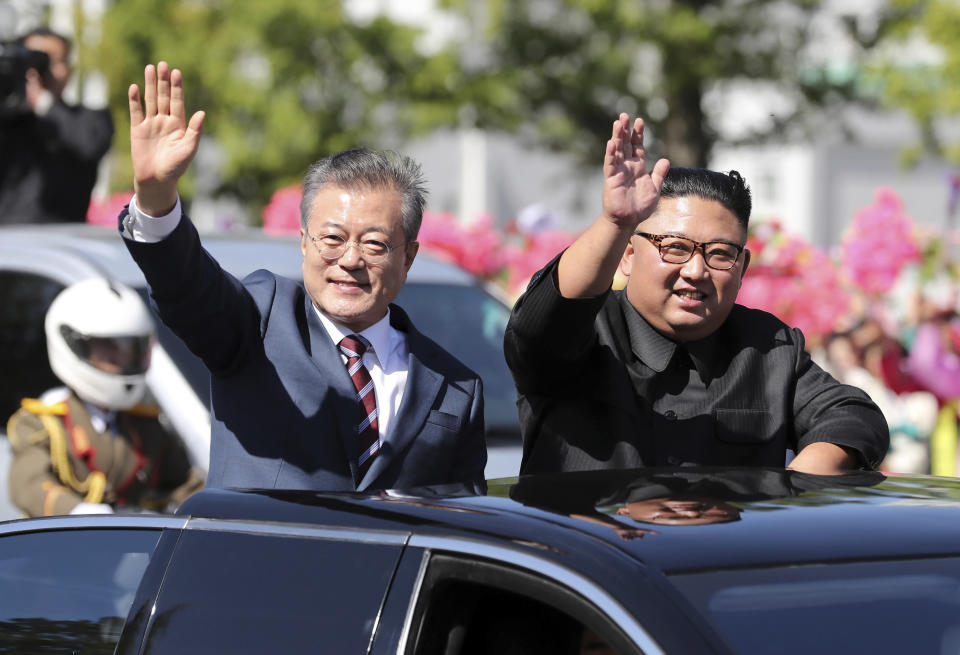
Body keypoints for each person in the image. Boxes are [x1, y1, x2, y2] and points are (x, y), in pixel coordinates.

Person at [119, 61, 486, 492]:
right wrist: (157, 197)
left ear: (408, 257)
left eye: (374, 244)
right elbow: (188, 288)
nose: (350, 259)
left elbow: (464, 521)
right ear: (304, 242)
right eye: (332, 238)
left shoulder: (456, 386)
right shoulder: (260, 320)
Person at [504, 113, 889, 476]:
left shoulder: (768, 347)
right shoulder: (585, 335)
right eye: (674, 248)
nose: (695, 271)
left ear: (743, 268)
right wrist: (614, 223)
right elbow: (542, 323)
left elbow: (852, 415)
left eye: (720, 254)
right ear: (628, 255)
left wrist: (798, 487)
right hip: (589, 548)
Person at [6, 279, 204, 516]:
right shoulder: (43, 423)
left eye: (131, 347)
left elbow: (184, 485)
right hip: (63, 543)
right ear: (75, 344)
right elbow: (28, 484)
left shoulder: (144, 424)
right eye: (109, 346)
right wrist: (77, 511)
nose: (123, 357)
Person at [0, 28, 114, 224]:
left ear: (70, 69)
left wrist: (43, 103)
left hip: (61, 241)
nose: (45, 71)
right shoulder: (9, 120)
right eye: (35, 61)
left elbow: (90, 144)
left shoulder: (89, 119)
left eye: (55, 61)